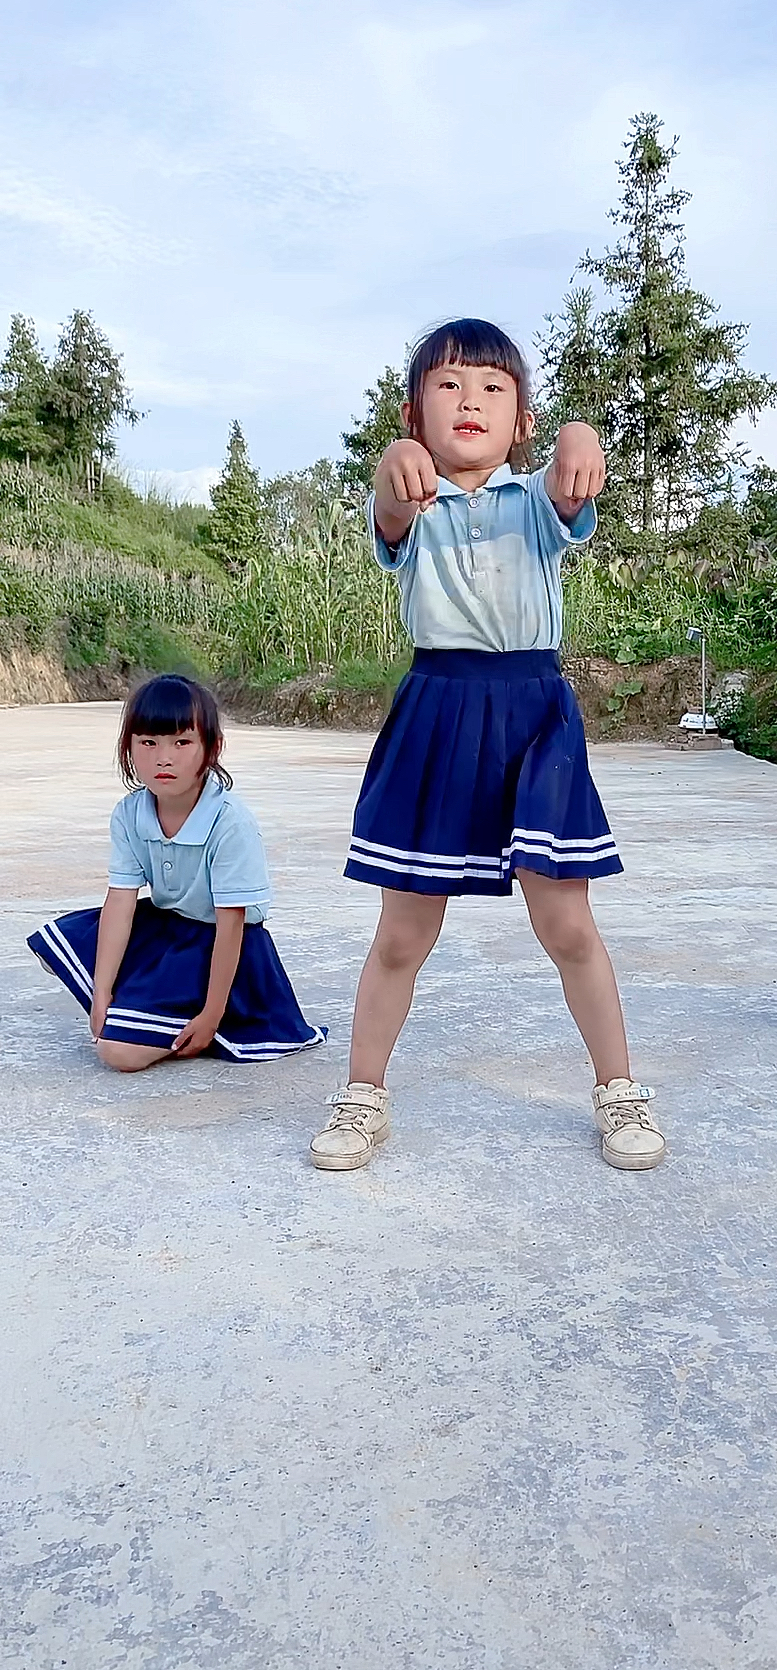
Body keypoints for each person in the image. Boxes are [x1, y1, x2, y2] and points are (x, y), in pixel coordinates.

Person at [310, 317, 665, 1174]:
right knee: (403, 931)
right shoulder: (409, 500)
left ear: (523, 421)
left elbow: (572, 486)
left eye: (493, 388)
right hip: (436, 709)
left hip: (534, 714)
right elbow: (392, 506)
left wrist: (581, 437)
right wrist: (391, 473)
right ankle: (363, 1097)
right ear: (413, 411)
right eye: (449, 385)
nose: (470, 399)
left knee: (567, 922)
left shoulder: (536, 504)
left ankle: (619, 1091)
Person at [28, 674, 326, 1068]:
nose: (163, 758)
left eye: (182, 743)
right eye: (148, 743)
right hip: (168, 925)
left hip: (222, 944)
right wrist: (100, 993)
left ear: (211, 748)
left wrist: (211, 1017)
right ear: (128, 748)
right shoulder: (130, 813)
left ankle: (195, 1017)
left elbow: (232, 924)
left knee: (119, 1054)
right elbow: (120, 900)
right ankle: (146, 1006)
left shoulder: (228, 822)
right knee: (56, 950)